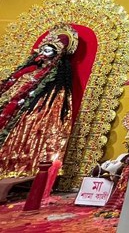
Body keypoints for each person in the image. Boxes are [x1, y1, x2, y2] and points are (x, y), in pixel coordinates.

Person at [0, 24, 79, 178]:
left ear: (57, 53)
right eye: (43, 49)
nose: (43, 53)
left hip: (31, 108)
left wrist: (29, 99)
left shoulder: (56, 76)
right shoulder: (29, 68)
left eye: (48, 50)